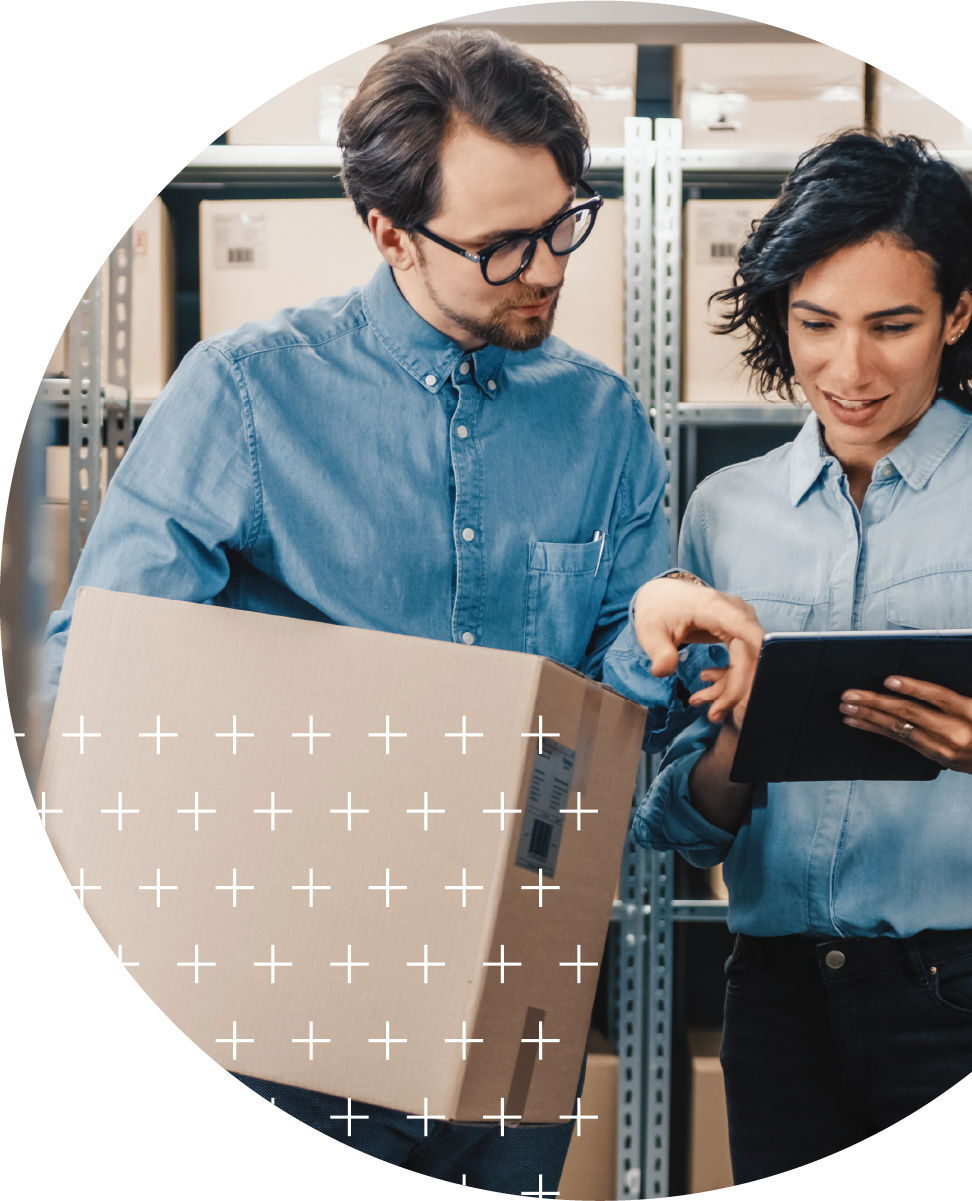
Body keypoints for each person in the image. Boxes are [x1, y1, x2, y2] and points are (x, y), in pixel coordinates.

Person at [38, 28, 758, 1193]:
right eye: (501, 244)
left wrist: (650, 650)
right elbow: (105, 690)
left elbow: (621, 765)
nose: (547, 268)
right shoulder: (247, 395)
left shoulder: (604, 426)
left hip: (513, 1008)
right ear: (388, 232)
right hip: (279, 1007)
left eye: (564, 221)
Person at [621, 131, 972, 1180]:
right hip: (777, 998)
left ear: (956, 314)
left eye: (893, 325)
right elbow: (685, 828)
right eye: (816, 324)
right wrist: (745, 727)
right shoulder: (724, 513)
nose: (850, 369)